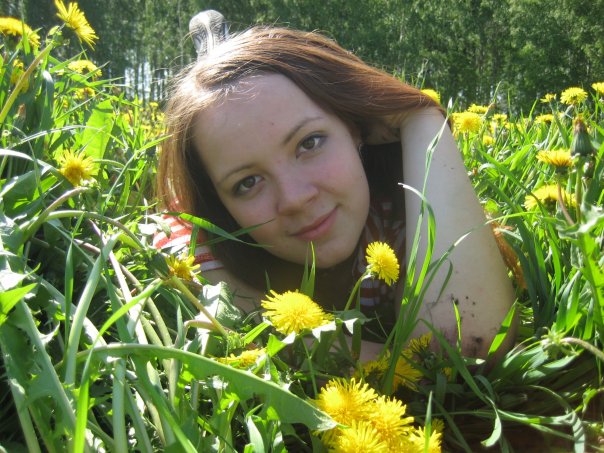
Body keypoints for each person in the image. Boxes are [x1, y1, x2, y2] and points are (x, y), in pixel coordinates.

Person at [155, 11, 516, 358]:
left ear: (356, 126)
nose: (295, 199)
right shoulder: (192, 242)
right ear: (217, 202)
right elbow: (437, 369)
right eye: (248, 182)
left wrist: (420, 117)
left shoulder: (400, 217)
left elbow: (465, 345)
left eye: (309, 143)